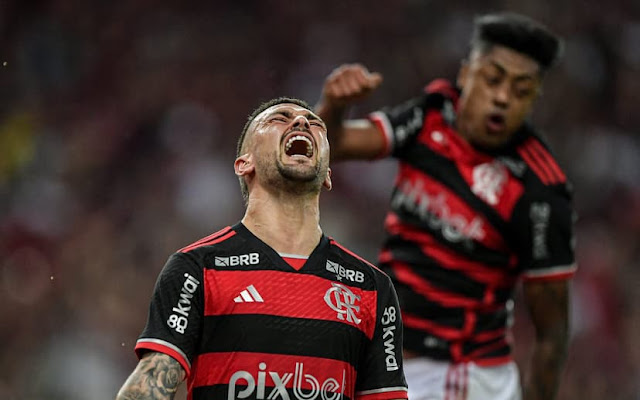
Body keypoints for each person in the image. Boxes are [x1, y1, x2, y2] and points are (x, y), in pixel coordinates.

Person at [315, 12, 575, 400]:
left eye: (521, 91)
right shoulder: (430, 116)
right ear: (466, 74)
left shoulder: (539, 190)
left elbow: (551, 332)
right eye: (493, 79)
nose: (503, 98)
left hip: (459, 375)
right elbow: (330, 147)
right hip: (387, 355)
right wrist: (335, 105)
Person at [115, 97, 408, 400]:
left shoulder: (372, 288)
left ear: (328, 174)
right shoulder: (198, 268)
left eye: (315, 123)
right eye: (279, 118)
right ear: (245, 164)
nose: (302, 122)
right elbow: (150, 385)